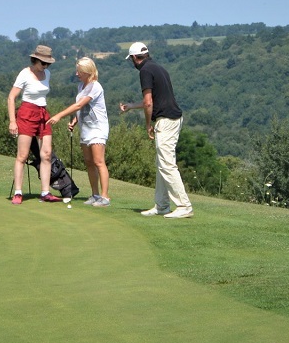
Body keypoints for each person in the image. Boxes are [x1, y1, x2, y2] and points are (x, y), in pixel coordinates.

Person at [120, 42, 193, 219]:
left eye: (131, 59)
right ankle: (162, 205)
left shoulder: (145, 71)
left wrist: (147, 125)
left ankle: (184, 205)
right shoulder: (158, 68)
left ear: (135, 58)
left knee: (167, 163)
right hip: (173, 118)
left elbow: (148, 103)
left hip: (165, 121)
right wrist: (131, 106)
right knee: (162, 163)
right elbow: (154, 100)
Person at [47, 57, 110, 207]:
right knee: (89, 162)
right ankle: (95, 194)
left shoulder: (96, 86)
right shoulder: (81, 86)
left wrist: (59, 115)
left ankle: (105, 197)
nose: (77, 74)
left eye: (79, 71)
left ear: (87, 72)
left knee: (99, 161)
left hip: (98, 128)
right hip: (85, 128)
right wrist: (75, 121)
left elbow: (79, 104)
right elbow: (80, 108)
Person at [7, 45, 63, 204]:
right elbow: (11, 97)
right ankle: (18, 193)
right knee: (22, 156)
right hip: (26, 112)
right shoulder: (25, 73)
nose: (45, 66)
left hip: (43, 114)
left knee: (46, 154)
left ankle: (45, 192)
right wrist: (12, 121)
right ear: (35, 60)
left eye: (48, 64)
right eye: (43, 63)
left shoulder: (48, 74)